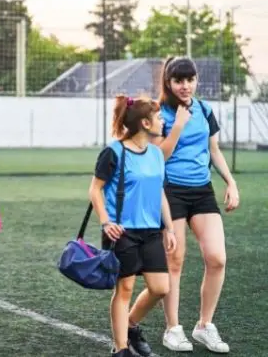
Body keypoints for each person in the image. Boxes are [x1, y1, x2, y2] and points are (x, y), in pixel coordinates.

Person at [156, 57, 239, 354]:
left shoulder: (204, 110)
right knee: (174, 262)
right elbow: (158, 158)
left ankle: (204, 326)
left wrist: (230, 182)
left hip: (201, 190)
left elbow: (213, 150)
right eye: (179, 80)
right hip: (170, 191)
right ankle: (173, 329)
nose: (185, 85)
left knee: (217, 258)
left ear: (196, 80)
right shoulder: (159, 113)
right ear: (168, 83)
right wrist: (177, 126)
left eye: (190, 79)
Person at [89, 95, 176, 357]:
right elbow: (95, 190)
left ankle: (130, 325)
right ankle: (121, 347)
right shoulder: (114, 152)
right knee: (124, 288)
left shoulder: (157, 154)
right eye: (159, 117)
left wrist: (169, 228)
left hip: (150, 232)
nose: (163, 121)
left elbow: (159, 192)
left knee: (161, 288)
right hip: (122, 232)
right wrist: (106, 222)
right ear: (146, 123)